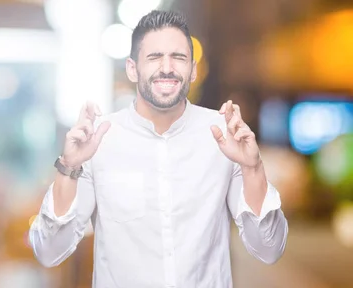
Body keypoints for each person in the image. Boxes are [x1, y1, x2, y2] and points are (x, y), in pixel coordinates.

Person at [28, 9, 288, 288]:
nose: (167, 67)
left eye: (178, 57)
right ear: (132, 68)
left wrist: (253, 168)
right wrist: (68, 168)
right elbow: (49, 252)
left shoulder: (224, 137)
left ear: (193, 69)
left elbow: (269, 249)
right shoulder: (99, 141)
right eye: (154, 57)